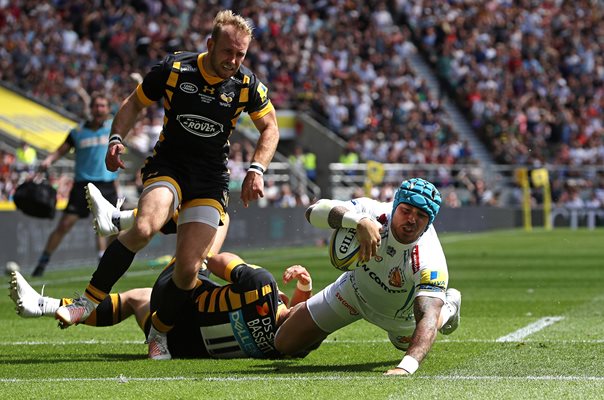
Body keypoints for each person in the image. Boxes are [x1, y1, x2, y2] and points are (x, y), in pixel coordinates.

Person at [55, 10, 280, 361]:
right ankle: (87, 300)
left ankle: (159, 333)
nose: (233, 61)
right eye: (228, 52)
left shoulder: (247, 84)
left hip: (210, 180)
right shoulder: (176, 69)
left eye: (241, 55)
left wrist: (257, 169)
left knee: (189, 269)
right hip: (169, 166)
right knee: (146, 227)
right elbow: (134, 103)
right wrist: (116, 138)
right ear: (210, 44)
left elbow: (271, 127)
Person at [274, 177, 462, 375]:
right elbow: (313, 211)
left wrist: (405, 368)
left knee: (416, 334)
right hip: (350, 293)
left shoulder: (430, 257)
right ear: (395, 205)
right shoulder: (372, 212)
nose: (411, 220)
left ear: (429, 222)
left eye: (421, 215)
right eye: (406, 211)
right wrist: (358, 221)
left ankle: (449, 308)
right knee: (284, 344)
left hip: (398, 318)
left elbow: (427, 317)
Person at [9, 251, 313, 359]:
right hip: (180, 345)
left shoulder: (262, 286)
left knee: (210, 227)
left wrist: (204, 258)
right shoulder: (287, 349)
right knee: (135, 298)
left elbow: (219, 262)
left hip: (174, 306)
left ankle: (122, 219)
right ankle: (43, 304)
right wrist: (303, 289)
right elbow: (298, 325)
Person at [31, 93, 119, 277]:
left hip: (106, 184)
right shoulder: (77, 131)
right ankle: (42, 263)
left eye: (103, 106)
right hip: (82, 186)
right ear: (91, 108)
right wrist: (48, 160)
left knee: (111, 228)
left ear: (107, 109)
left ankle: (106, 263)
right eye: (96, 106)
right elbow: (61, 150)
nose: (99, 109)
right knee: (64, 225)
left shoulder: (114, 128)